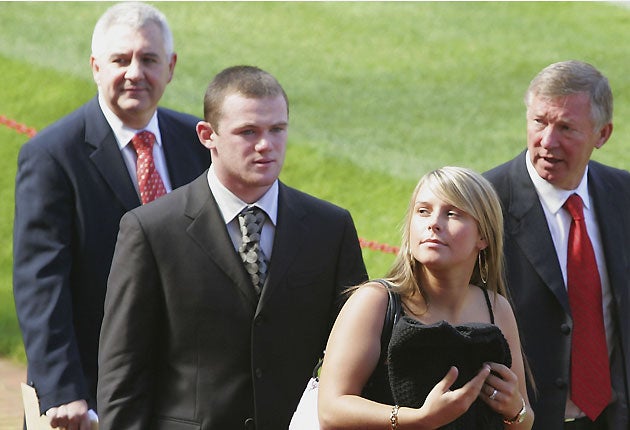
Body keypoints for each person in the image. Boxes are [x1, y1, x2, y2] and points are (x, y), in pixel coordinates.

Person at [96, 65, 368, 429]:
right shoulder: (152, 231)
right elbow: (123, 372)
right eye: (248, 132)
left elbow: (360, 353)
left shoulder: (330, 228)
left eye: (277, 130)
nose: (265, 145)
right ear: (208, 135)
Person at [12, 2, 210, 429]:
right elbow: (41, 283)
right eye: (121, 59)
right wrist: (62, 389)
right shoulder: (52, 156)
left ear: (171, 67)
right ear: (96, 67)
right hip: (89, 393)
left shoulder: (197, 144)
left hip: (182, 392)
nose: (135, 72)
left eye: (149, 59)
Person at [317, 166, 533, 429]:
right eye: (423, 211)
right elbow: (331, 410)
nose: (433, 223)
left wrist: (515, 410)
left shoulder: (497, 309)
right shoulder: (374, 302)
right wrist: (421, 419)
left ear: (484, 236)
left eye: (452, 213)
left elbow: (524, 421)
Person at [484, 60, 630, 429]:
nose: (547, 141)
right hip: (523, 421)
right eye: (539, 122)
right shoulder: (486, 204)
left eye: (566, 127)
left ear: (603, 134)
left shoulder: (624, 195)